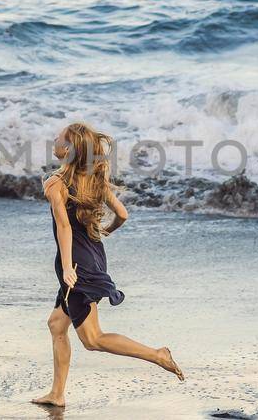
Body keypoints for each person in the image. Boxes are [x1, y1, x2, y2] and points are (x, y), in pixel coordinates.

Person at [32, 122, 183, 410]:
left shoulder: (55, 184)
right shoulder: (94, 180)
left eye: (59, 137)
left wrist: (66, 268)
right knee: (56, 324)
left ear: (69, 149)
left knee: (93, 338)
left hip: (76, 266)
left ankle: (158, 355)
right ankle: (57, 393)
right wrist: (105, 232)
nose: (54, 138)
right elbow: (123, 214)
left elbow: (64, 227)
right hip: (92, 256)